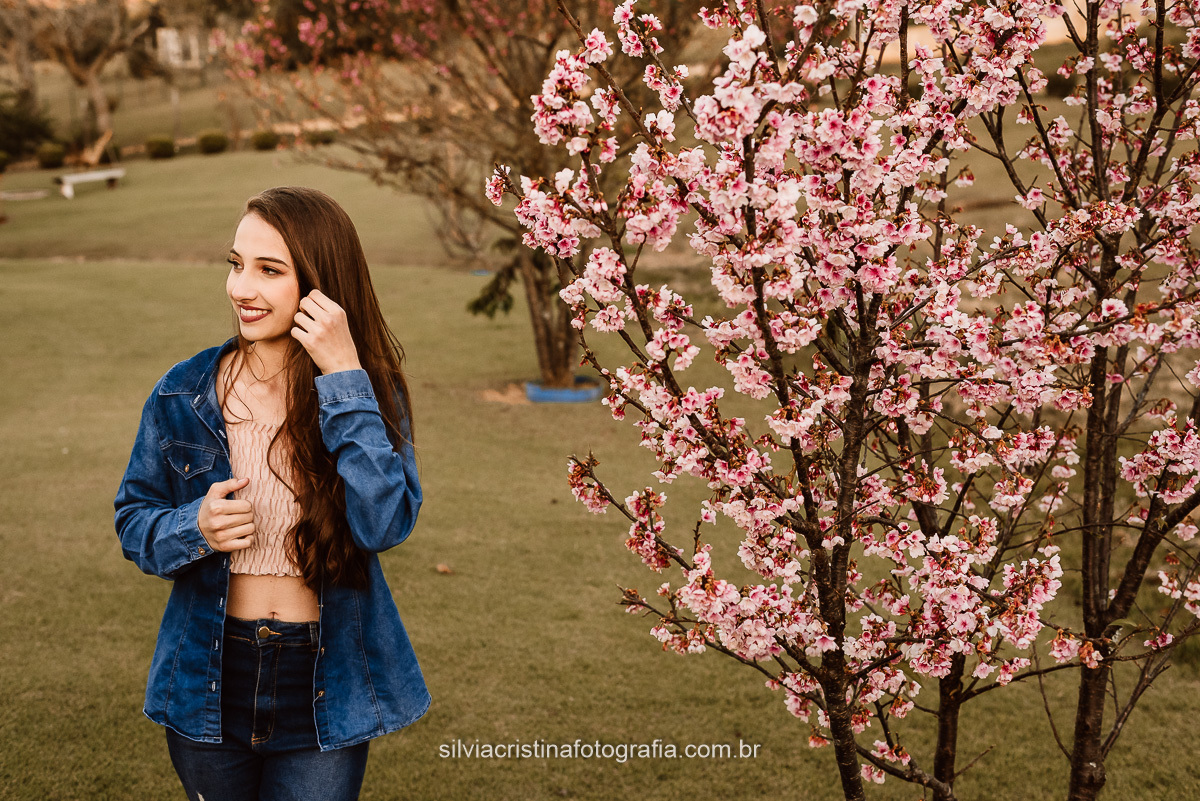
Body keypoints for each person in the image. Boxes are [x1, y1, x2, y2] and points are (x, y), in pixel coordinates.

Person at [114, 186, 429, 801]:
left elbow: (383, 524)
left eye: (269, 270)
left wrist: (343, 378)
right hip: (209, 671)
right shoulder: (183, 392)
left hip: (324, 676)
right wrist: (193, 528)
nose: (240, 288)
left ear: (319, 285)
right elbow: (134, 521)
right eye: (236, 264)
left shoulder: (369, 392)